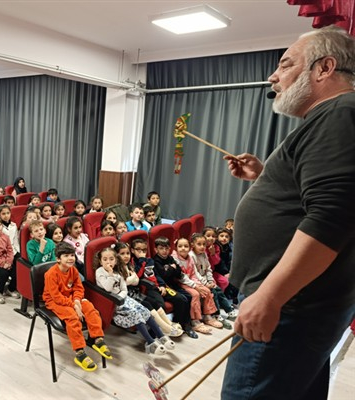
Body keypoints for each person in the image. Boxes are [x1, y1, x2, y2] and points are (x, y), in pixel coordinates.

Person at [221, 27, 355, 399]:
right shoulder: (335, 117)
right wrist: (263, 177)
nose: (273, 76)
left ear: (324, 67)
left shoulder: (338, 113)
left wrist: (270, 297)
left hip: (292, 309)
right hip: (305, 308)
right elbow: (315, 199)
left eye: (285, 64)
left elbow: (332, 218)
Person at [43, 242, 113, 371]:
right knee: (73, 318)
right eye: (66, 256)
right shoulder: (51, 274)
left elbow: (78, 288)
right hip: (54, 301)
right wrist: (74, 306)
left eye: (72, 255)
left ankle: (97, 339)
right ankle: (79, 352)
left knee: (91, 309)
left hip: (72, 299)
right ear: (58, 259)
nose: (70, 258)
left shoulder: (73, 270)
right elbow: (56, 297)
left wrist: (77, 301)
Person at [94, 246, 171, 355]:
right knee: (136, 313)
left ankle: (161, 336)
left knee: (144, 310)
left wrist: (122, 296)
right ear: (100, 261)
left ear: (115, 260)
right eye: (105, 259)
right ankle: (150, 342)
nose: (108, 262)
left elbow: (124, 288)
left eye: (111, 259)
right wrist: (110, 275)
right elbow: (108, 288)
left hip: (123, 298)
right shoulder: (100, 272)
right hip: (111, 301)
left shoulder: (117, 272)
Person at [151, 237, 196, 338]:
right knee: (181, 299)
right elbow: (163, 275)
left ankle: (184, 322)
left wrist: (170, 270)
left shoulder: (170, 258)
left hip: (173, 284)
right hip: (163, 287)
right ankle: (181, 324)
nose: (164, 251)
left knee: (188, 296)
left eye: (166, 248)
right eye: (161, 248)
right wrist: (172, 268)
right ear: (156, 249)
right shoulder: (155, 261)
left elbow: (179, 272)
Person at [188, 233, 233, 329]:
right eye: (199, 244)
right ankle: (215, 315)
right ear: (192, 245)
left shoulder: (204, 254)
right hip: (198, 281)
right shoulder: (191, 256)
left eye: (204, 244)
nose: (202, 247)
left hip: (206, 280)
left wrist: (211, 281)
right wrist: (206, 283)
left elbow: (208, 268)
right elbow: (195, 273)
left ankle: (229, 310)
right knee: (213, 293)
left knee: (218, 290)